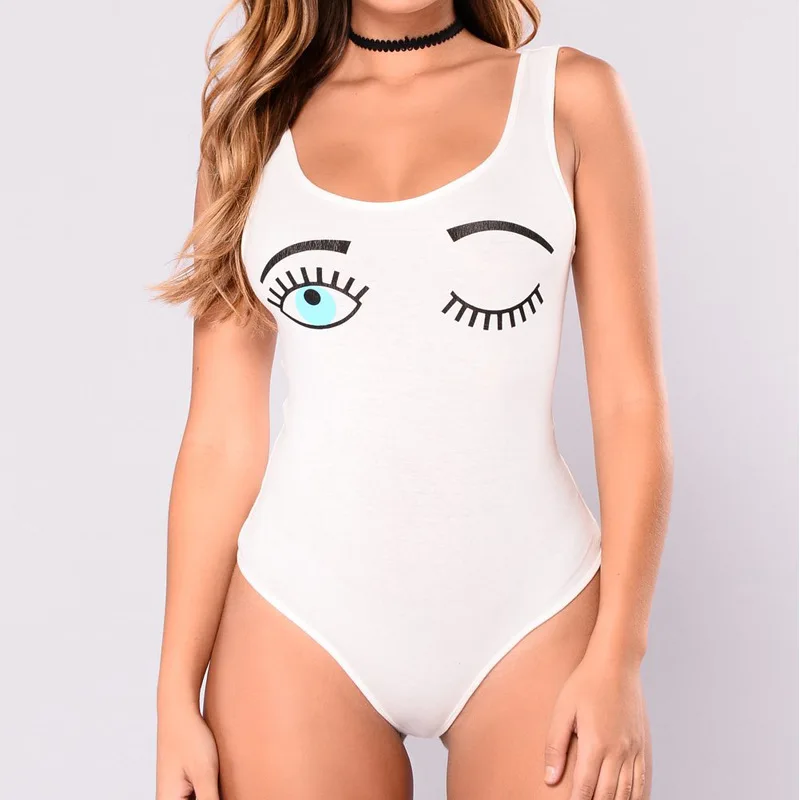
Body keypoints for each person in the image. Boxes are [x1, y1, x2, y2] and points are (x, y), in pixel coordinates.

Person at [154, 1, 673, 798]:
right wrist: (173, 693)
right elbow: (221, 435)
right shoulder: (254, 127)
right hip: (298, 618)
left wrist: (619, 656)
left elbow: (630, 404)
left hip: (535, 608)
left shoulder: (569, 98)